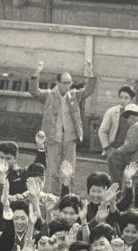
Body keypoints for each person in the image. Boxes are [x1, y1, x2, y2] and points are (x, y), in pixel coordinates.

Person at [29, 60, 89, 194]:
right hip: (53, 139)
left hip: (70, 139)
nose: (68, 85)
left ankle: (69, 198)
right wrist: (38, 71)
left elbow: (89, 90)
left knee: (69, 172)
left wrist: (89, 72)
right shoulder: (49, 95)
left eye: (70, 82)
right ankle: (54, 198)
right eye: (65, 82)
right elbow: (33, 91)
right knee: (53, 173)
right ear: (57, 82)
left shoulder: (74, 95)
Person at [99, 85, 137, 180]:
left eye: (126, 98)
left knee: (130, 180)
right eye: (121, 97)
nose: (123, 101)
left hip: (131, 153)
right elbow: (103, 131)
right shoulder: (112, 112)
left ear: (133, 99)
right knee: (114, 180)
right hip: (115, 150)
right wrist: (107, 148)